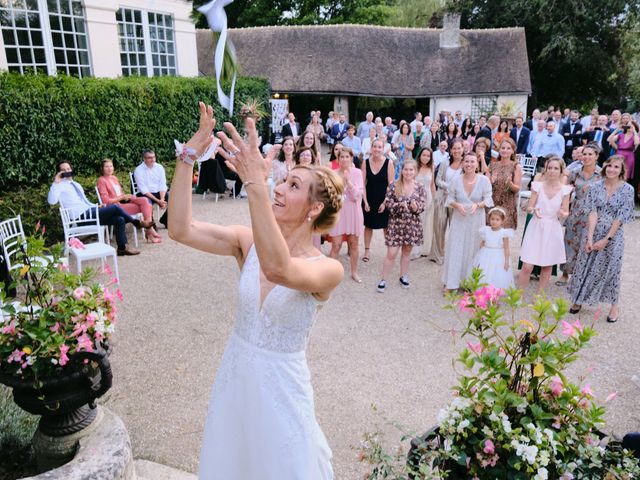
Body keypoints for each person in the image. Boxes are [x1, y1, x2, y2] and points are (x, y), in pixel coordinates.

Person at [171, 103, 344, 479]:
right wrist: (188, 155)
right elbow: (179, 228)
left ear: (315, 208)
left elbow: (279, 268)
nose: (279, 188)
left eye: (292, 185)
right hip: (236, 381)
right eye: (280, 180)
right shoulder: (246, 243)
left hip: (283, 393)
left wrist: (255, 185)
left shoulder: (328, 269)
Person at [567, 156, 635, 322]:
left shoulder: (628, 190)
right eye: (609, 166)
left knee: (612, 269)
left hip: (613, 235)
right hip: (592, 230)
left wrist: (606, 239)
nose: (612, 169)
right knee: (584, 265)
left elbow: (620, 217)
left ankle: (614, 307)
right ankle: (578, 299)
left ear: (622, 170)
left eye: (616, 167)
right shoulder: (595, 186)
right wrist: (590, 238)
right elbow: (592, 211)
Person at [49, 161, 152, 255]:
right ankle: (136, 222)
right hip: (80, 217)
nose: (67, 171)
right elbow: (51, 201)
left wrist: (96, 206)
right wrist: (55, 182)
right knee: (115, 207)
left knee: (119, 219)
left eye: (68, 169)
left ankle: (122, 248)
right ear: (59, 173)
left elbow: (85, 202)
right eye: (63, 170)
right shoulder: (59, 186)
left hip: (90, 212)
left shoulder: (76, 184)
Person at [518, 156, 572, 292]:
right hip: (536, 226)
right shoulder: (537, 186)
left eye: (556, 168)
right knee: (527, 266)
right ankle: (518, 295)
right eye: (550, 168)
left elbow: (566, 211)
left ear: (560, 171)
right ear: (545, 169)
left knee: (547, 266)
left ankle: (540, 296)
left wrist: (562, 213)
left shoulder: (565, 190)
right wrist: (533, 210)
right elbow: (529, 207)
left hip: (553, 228)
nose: (552, 171)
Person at [442, 153, 493, 292]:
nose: (469, 164)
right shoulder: (456, 180)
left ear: (477, 163)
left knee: (474, 249)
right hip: (459, 219)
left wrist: (479, 205)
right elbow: (450, 199)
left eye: (472, 161)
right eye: (466, 162)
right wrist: (457, 206)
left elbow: (489, 199)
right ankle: (451, 283)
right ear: (463, 163)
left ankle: (470, 283)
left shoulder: (484, 180)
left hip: (477, 220)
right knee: (456, 249)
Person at [376, 160, 425, 292]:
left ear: (415, 172)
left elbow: (422, 205)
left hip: (412, 225)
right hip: (396, 224)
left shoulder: (419, 186)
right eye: (406, 169)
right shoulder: (393, 185)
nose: (408, 172)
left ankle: (403, 276)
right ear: (402, 171)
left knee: (407, 252)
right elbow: (388, 204)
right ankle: (383, 279)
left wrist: (416, 207)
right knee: (391, 253)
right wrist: (400, 206)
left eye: (411, 170)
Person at [557, 143, 602, 286]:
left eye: (590, 154)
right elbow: (563, 188)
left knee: (586, 242)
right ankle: (565, 273)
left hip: (593, 212)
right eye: (585, 154)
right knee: (569, 241)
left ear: (596, 156)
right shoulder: (575, 172)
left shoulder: (601, 174)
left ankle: (580, 275)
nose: (587, 157)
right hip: (575, 210)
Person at [97, 159, 161, 243]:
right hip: (115, 208)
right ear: (102, 169)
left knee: (145, 200)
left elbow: (120, 194)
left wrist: (127, 197)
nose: (109, 168)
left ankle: (149, 229)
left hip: (122, 202)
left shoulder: (114, 178)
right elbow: (106, 201)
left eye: (111, 166)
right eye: (106, 167)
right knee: (145, 206)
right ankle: (149, 230)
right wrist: (122, 197)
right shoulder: (101, 180)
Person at [329, 148, 364, 283]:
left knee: (353, 244)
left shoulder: (357, 173)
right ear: (338, 159)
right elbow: (330, 195)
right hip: (339, 212)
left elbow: (356, 196)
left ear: (351, 158)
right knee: (336, 245)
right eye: (341, 157)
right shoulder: (332, 173)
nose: (344, 159)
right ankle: (330, 274)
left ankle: (354, 272)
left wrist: (348, 181)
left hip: (353, 211)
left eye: (347, 157)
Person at [428, 138, 464, 265]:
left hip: (458, 201)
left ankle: (454, 255)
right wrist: (448, 187)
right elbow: (437, 180)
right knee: (439, 226)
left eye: (459, 148)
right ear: (450, 149)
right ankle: (437, 254)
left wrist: (455, 190)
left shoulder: (466, 164)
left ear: (463, 149)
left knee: (455, 229)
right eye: (454, 148)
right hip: (443, 198)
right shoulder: (444, 163)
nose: (456, 150)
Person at [361, 138, 395, 263]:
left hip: (384, 198)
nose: (377, 149)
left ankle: (389, 252)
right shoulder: (365, 162)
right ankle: (366, 250)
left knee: (385, 226)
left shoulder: (389, 163)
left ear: (383, 148)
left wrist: (385, 202)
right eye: (375, 146)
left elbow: (391, 185)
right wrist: (365, 201)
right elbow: (362, 183)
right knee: (368, 226)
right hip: (369, 198)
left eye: (379, 147)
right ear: (371, 148)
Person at [473, 207, 515, 289]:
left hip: (498, 255)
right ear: (489, 219)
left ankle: (494, 291)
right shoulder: (485, 230)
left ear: (502, 221)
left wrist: (506, 261)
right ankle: (483, 289)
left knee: (496, 272)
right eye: (492, 219)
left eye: (497, 219)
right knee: (485, 271)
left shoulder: (504, 233)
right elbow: (482, 243)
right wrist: (479, 256)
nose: (494, 221)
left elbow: (506, 248)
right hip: (486, 254)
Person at [488, 138, 522, 229]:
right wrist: (491, 181)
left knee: (504, 236)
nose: (505, 150)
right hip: (493, 203)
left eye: (508, 148)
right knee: (490, 234)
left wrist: (510, 184)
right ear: (499, 149)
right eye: (503, 148)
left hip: (507, 205)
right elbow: (486, 187)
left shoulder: (516, 166)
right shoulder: (492, 165)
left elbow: (517, 188)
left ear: (512, 151)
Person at [134, 149, 169, 227]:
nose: (152, 159)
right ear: (144, 159)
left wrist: (162, 199)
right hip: (145, 194)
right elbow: (144, 190)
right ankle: (151, 224)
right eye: (149, 158)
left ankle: (165, 220)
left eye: (153, 157)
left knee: (173, 200)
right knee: (147, 202)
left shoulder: (159, 167)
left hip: (159, 192)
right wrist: (158, 201)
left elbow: (162, 184)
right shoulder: (138, 170)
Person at [411, 148, 436, 259]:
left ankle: (422, 248)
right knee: (415, 223)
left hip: (428, 197)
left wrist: (435, 198)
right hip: (415, 197)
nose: (425, 157)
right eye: (423, 155)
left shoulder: (432, 167)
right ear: (420, 155)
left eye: (428, 156)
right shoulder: (415, 167)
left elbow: (432, 184)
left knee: (425, 223)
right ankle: (413, 249)